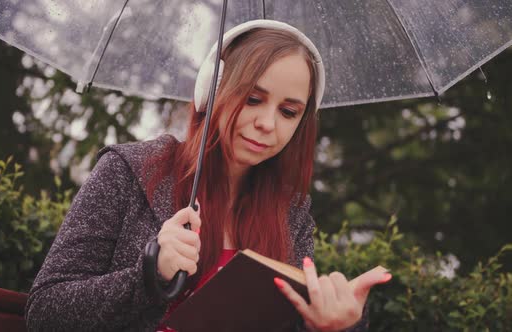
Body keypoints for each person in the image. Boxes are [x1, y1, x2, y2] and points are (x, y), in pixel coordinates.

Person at [25, 20, 390, 332]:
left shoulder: (290, 213)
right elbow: (45, 311)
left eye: (288, 111)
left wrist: (334, 324)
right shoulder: (129, 171)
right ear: (211, 90)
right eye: (252, 99)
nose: (266, 124)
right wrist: (148, 277)